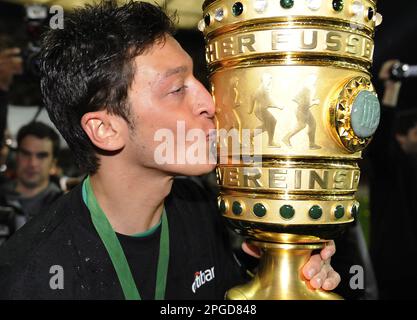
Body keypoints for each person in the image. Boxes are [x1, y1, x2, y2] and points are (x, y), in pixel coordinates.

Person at [0, 1, 340, 300]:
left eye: (198, 80)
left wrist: (271, 273)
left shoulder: (200, 211)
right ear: (105, 129)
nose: (209, 102)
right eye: (177, 89)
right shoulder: (32, 274)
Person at [366, 60, 417, 299]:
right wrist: (391, 89)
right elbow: (380, 142)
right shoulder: (390, 167)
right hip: (394, 274)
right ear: (399, 137)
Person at [0, 122, 62, 229]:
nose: (32, 163)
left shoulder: (64, 207)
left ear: (53, 163)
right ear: (17, 156)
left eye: (41, 156)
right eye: (26, 153)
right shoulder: (2, 198)